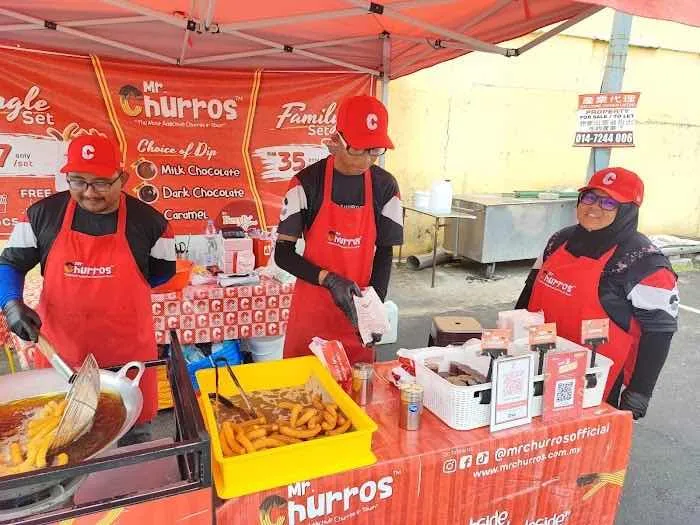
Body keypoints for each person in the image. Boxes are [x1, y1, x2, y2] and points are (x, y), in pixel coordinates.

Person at [0, 135, 176, 442]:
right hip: (62, 356)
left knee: (133, 439)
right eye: (78, 181)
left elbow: (162, 274)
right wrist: (11, 302)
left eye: (101, 182)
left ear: (123, 178)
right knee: (57, 435)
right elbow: (9, 264)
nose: (89, 192)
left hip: (126, 357)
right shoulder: (41, 215)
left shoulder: (152, 224)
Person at [516, 167, 679, 419]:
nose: (594, 207)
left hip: (595, 383)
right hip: (536, 363)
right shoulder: (559, 240)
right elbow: (530, 290)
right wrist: (511, 337)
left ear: (628, 210)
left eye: (609, 202)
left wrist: (640, 392)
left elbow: (659, 333)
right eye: (590, 197)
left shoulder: (645, 263)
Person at [275, 95, 403, 364]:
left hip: (357, 315)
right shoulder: (306, 183)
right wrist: (329, 280)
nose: (367, 159)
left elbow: (384, 252)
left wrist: (373, 308)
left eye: (375, 150)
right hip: (312, 315)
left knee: (356, 386)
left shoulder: (386, 187)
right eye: (360, 149)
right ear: (337, 141)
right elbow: (283, 254)